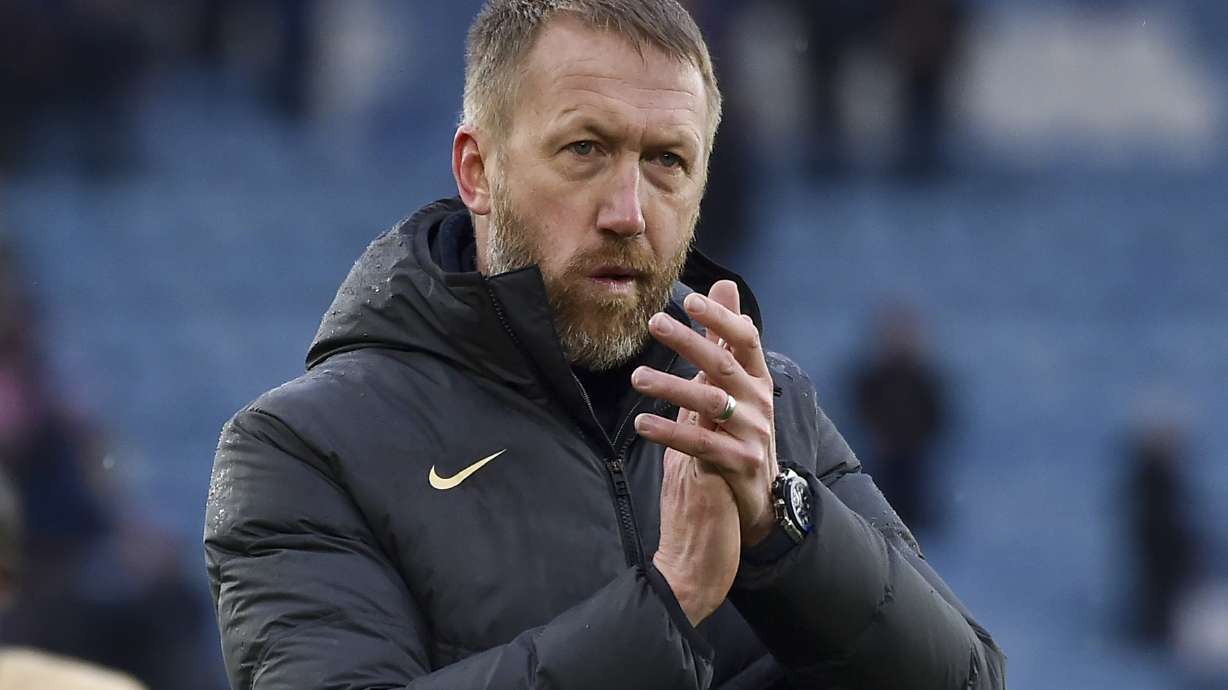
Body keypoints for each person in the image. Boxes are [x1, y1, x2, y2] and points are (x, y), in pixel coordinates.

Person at [204, 1, 1006, 688]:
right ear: (478, 172)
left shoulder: (761, 409)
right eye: (586, 150)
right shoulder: (303, 452)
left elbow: (970, 678)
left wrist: (780, 526)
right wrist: (669, 603)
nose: (629, 210)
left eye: (667, 162)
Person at [849, 302, 949, 534]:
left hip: (915, 464)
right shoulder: (871, 379)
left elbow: (938, 419)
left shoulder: (926, 381)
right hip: (882, 461)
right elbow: (861, 412)